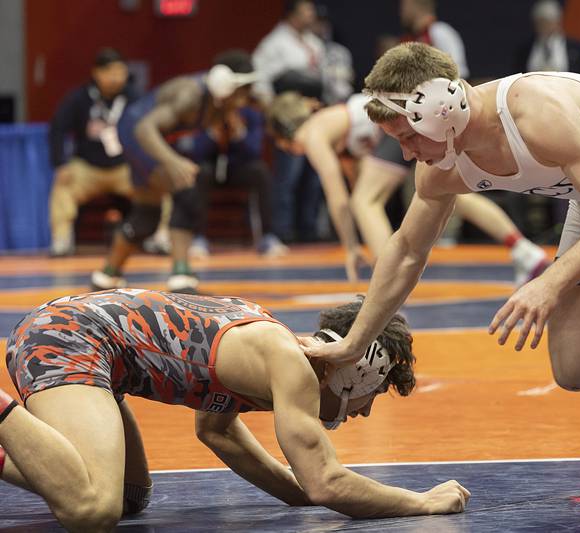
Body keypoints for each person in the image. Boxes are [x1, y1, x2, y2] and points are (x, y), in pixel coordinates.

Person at [302, 43, 580, 522]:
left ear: (441, 110)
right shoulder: (441, 164)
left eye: (408, 135)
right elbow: (407, 250)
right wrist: (357, 340)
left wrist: (549, 283)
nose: (406, 151)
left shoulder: (533, 111)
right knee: (576, 368)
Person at [0, 290, 470, 531]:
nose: (364, 414)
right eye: (376, 395)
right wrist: (421, 502)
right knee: (91, 511)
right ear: (359, 372)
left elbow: (218, 432)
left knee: (127, 497)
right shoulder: (291, 367)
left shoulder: (271, 356)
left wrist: (303, 490)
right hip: (68, 337)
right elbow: (326, 481)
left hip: (88, 343)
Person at [269, 91, 548, 284]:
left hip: (396, 126)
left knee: (365, 202)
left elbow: (338, 197)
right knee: (451, 191)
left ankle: (387, 282)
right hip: (404, 126)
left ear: (284, 137)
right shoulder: (335, 128)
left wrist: (351, 247)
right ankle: (524, 249)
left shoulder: (313, 133)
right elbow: (358, 179)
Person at [89, 50, 260, 294]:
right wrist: (172, 161)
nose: (245, 99)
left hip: (142, 136)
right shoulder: (189, 95)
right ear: (226, 84)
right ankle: (181, 275)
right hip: (138, 134)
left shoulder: (218, 102)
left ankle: (106, 276)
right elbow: (145, 129)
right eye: (243, 92)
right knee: (188, 188)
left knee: (146, 217)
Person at [48, 48, 138, 257]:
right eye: (110, 72)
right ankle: (61, 240)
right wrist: (60, 163)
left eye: (120, 72)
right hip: (88, 168)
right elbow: (58, 129)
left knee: (160, 181)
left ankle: (160, 237)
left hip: (125, 168)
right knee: (63, 186)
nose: (116, 78)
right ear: (97, 73)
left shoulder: (135, 98)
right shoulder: (78, 98)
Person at [253, 0, 325, 243]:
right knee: (288, 176)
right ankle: (282, 230)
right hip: (290, 116)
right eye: (307, 11)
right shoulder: (274, 44)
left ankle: (308, 228)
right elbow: (260, 83)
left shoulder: (314, 43)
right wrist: (277, 114)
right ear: (292, 14)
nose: (312, 15)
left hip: (313, 112)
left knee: (314, 176)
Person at [186, 104, 288, 259]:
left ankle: (267, 236)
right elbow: (195, 151)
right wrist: (213, 132)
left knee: (260, 171)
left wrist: (239, 132)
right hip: (211, 168)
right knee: (200, 173)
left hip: (237, 168)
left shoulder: (250, 114)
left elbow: (254, 151)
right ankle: (197, 238)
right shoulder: (205, 112)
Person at [517, 0, 580, 76]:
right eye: (540, 22)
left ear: (557, 22)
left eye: (547, 21)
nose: (544, 26)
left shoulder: (578, 49)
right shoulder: (525, 50)